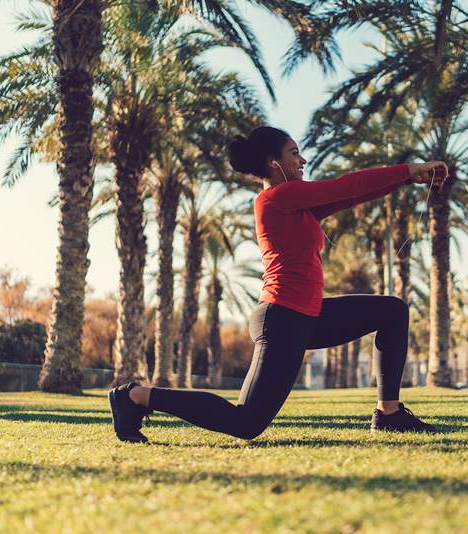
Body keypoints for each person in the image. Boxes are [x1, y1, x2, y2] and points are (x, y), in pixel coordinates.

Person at [108, 126, 448, 443]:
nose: (302, 160)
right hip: (282, 318)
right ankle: (134, 397)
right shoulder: (276, 199)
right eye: (294, 153)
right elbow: (347, 185)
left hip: (307, 316)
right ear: (274, 163)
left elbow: (349, 197)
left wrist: (408, 179)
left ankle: (389, 413)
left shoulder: (297, 206)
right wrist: (408, 169)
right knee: (246, 423)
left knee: (391, 312)